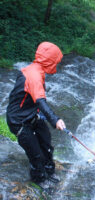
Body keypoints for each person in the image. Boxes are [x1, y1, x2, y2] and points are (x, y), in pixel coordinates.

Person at [6, 42, 66, 184]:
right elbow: (40, 101)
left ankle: (50, 172)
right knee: (36, 154)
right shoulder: (33, 75)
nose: (56, 65)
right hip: (18, 121)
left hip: (33, 115)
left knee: (46, 145)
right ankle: (40, 181)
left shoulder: (37, 70)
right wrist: (55, 120)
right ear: (49, 60)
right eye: (55, 62)